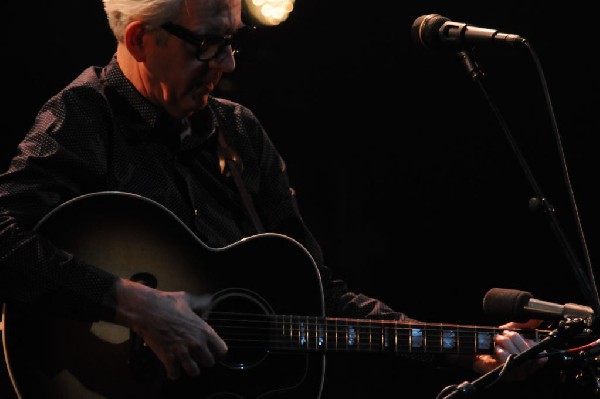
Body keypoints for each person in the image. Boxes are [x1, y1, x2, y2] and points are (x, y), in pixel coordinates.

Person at [0, 0, 553, 398]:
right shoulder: (83, 118)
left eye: (233, 41)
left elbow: (319, 293)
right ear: (142, 39)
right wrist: (133, 304)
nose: (229, 63)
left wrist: (456, 348)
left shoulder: (238, 133)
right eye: (209, 44)